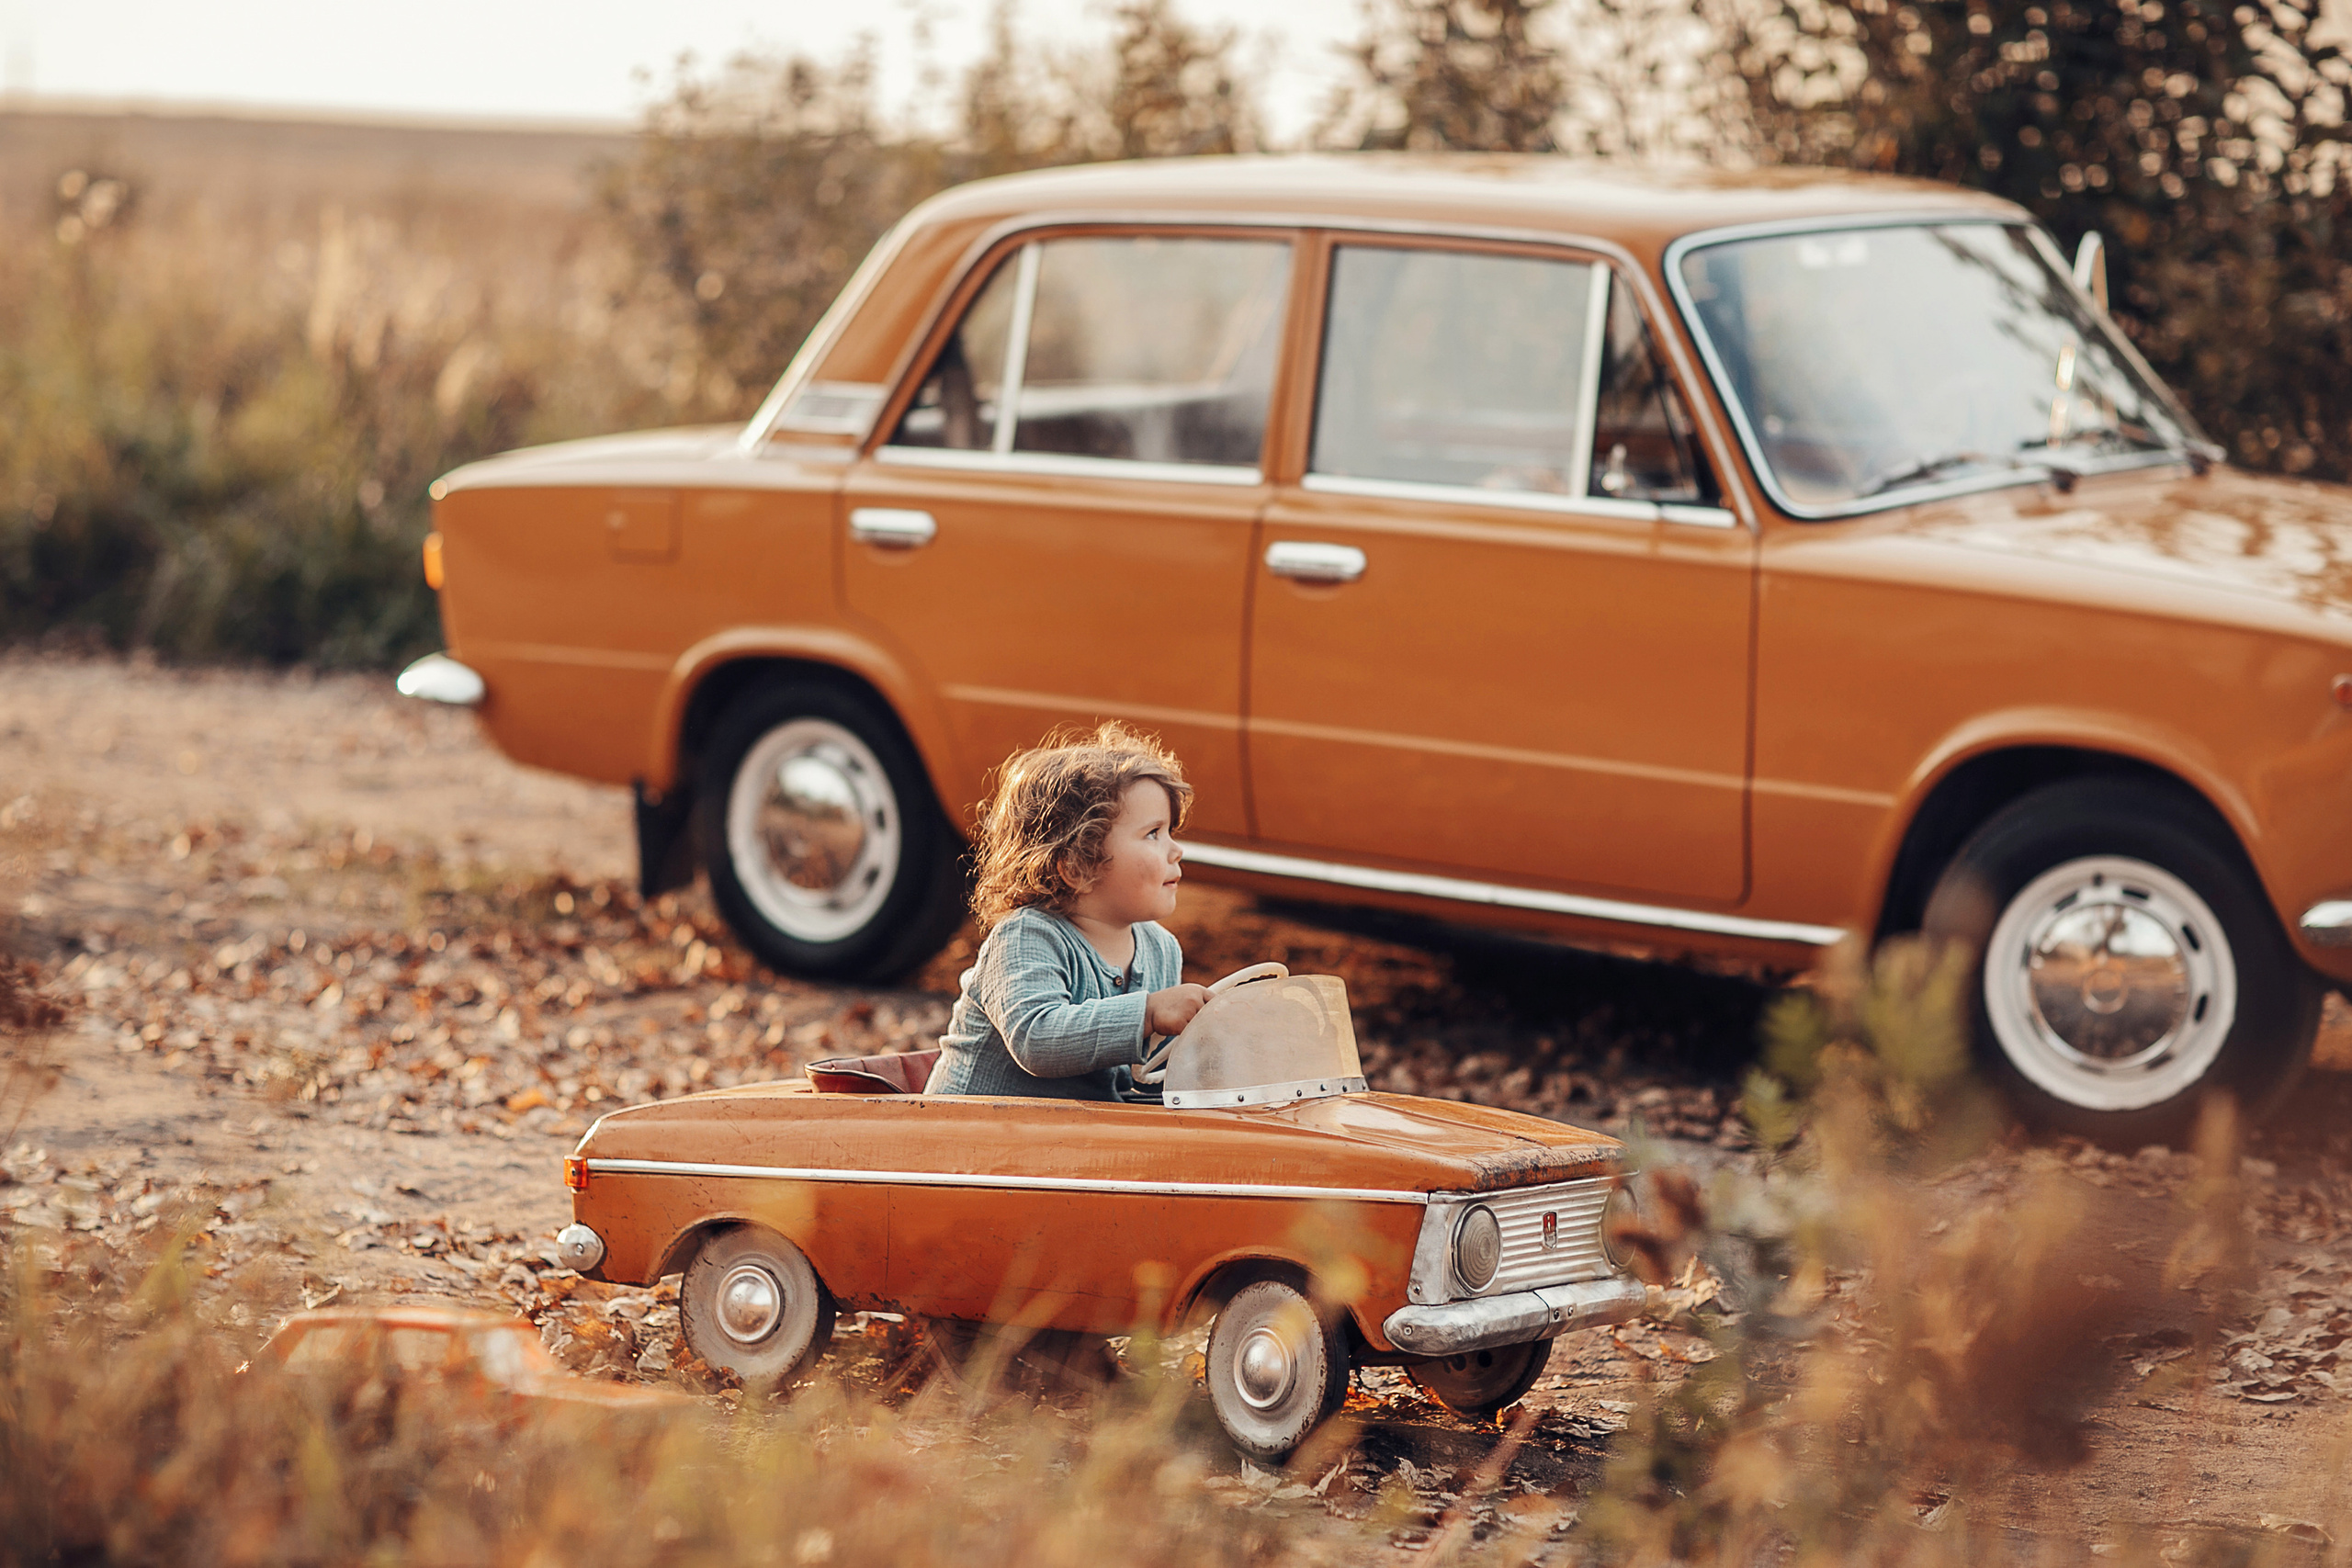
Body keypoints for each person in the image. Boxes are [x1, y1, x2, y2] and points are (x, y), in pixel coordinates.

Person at [925, 723, 1210, 1100]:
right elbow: (1036, 1039)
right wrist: (1148, 1014)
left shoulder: (1161, 949)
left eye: (1172, 831)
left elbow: (1150, 1075)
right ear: (1077, 867)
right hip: (967, 1139)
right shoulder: (1027, 936)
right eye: (1153, 833)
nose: (1177, 850)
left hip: (1071, 1147)